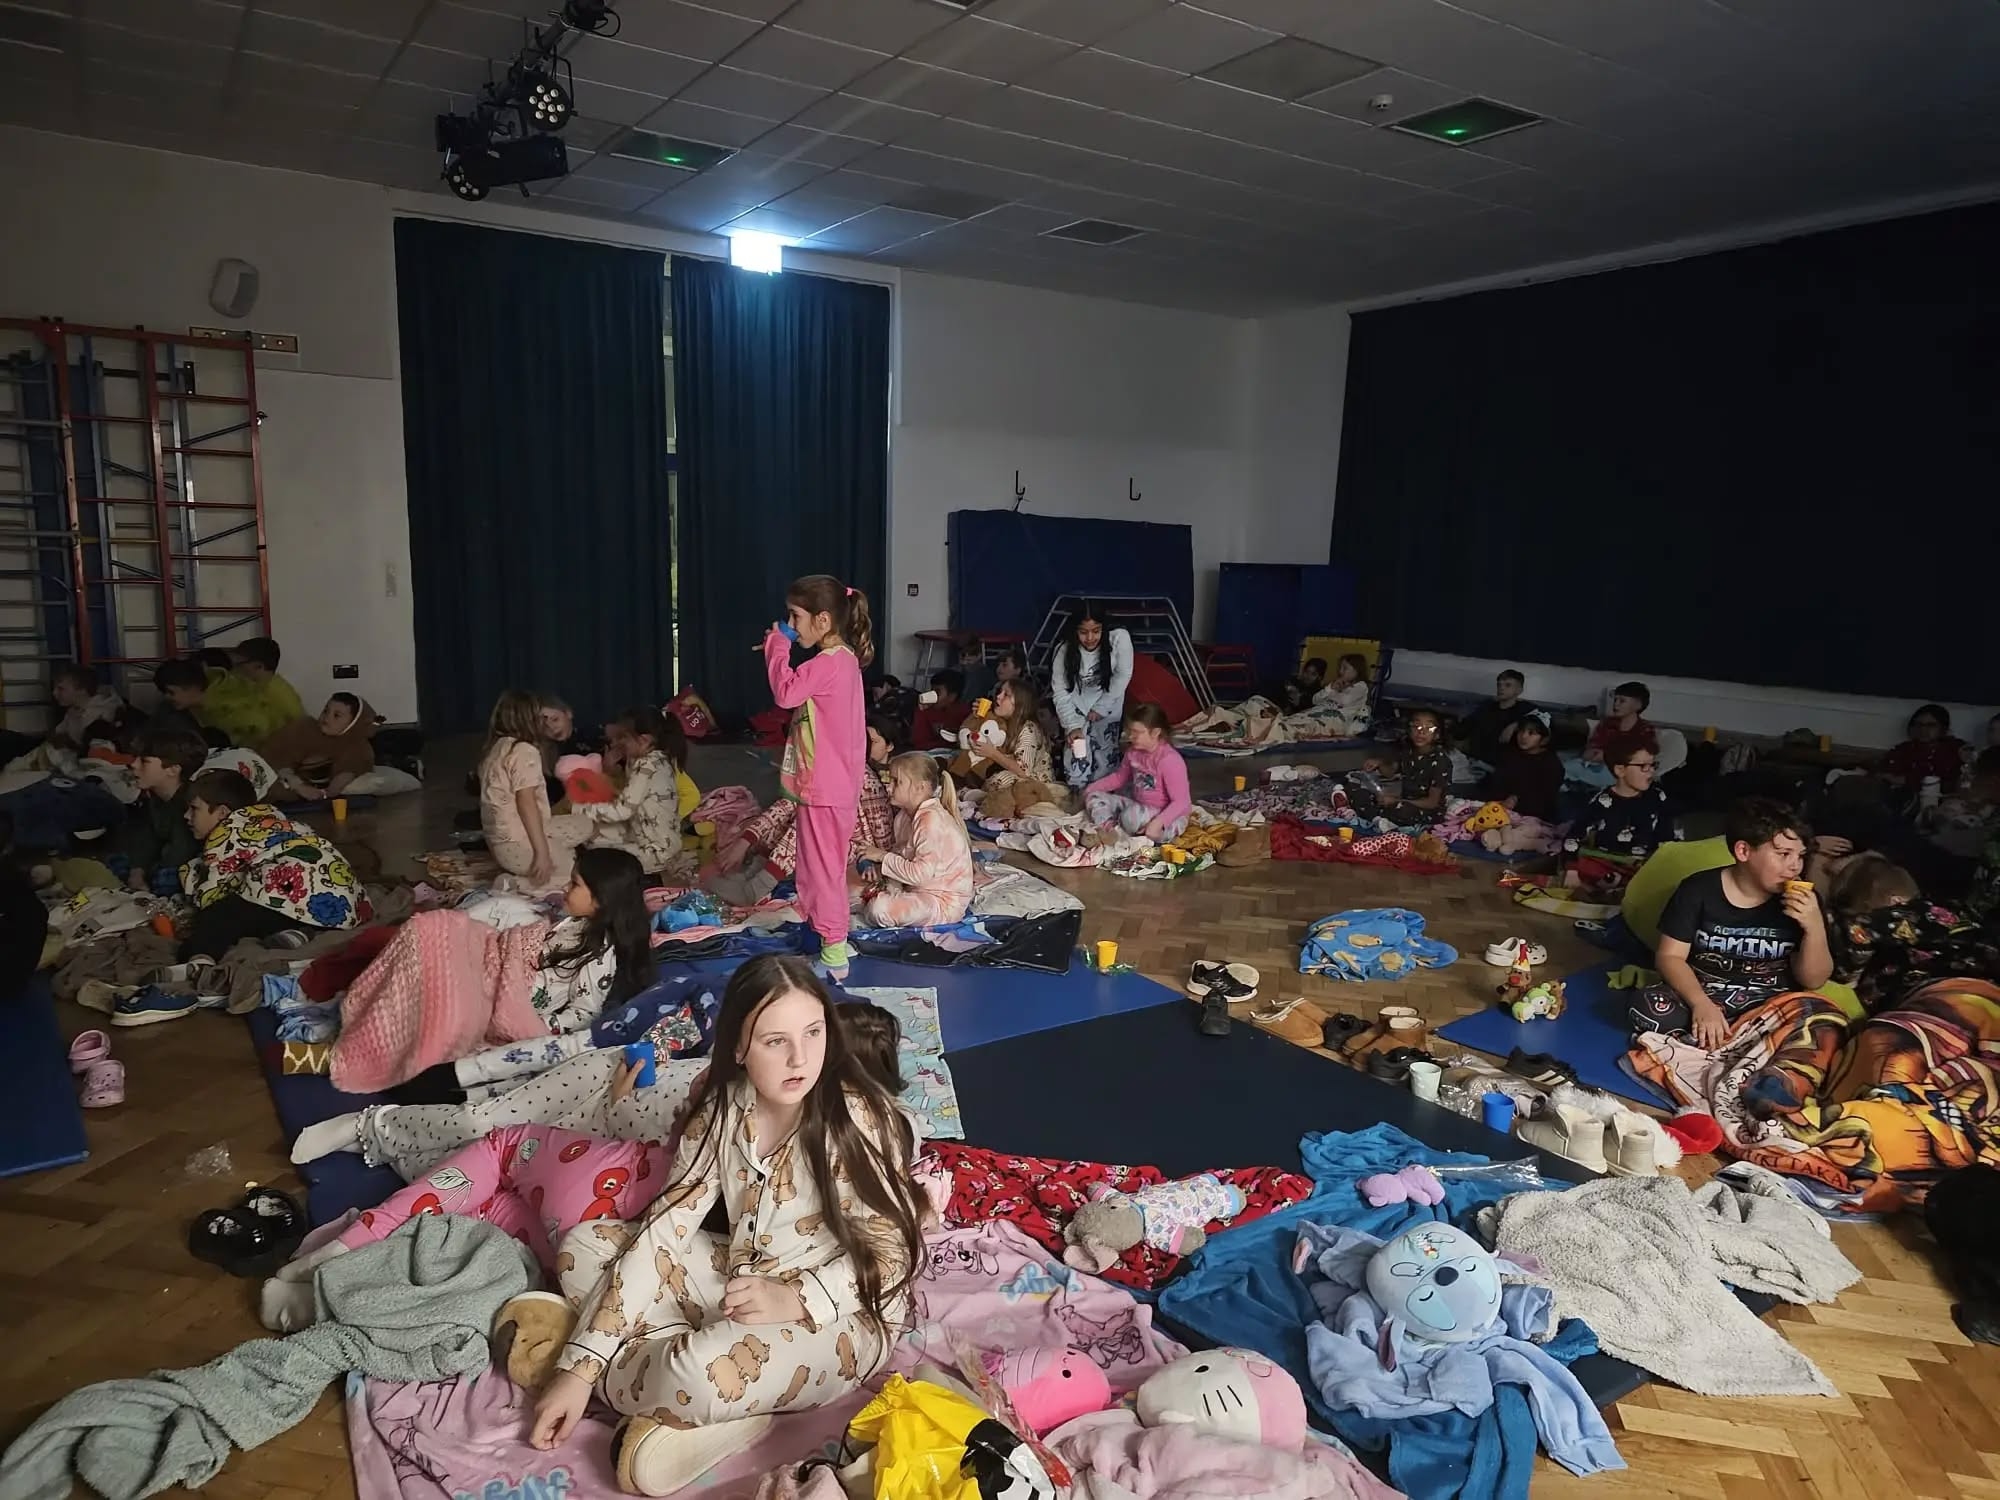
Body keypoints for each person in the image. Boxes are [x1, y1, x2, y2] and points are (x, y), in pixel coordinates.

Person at [527, 957, 928, 1495]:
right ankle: (714, 1404)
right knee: (583, 1248)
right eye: (775, 1041)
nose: (801, 1058)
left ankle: (693, 1388)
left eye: (813, 1033)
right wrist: (578, 1372)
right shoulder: (723, 1108)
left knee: (698, 1372)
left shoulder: (859, 1117)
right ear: (738, 1047)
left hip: (844, 1319)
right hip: (743, 1284)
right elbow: (664, 1231)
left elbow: (896, 1254)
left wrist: (796, 1299)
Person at [1629, 797, 1832, 1049]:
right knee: (1646, 1008)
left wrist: (1814, 927)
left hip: (1772, 1003)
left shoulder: (1806, 901)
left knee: (1824, 1023)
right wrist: (1701, 1004)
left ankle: (1723, 1040)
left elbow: (1813, 981)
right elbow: (1670, 957)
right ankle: (1747, 1042)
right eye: (1783, 854)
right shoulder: (1698, 890)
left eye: (1800, 856)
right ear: (1743, 851)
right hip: (1706, 991)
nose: (1795, 866)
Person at [765, 574, 872, 983]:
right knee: (819, 866)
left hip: (827, 789)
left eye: (796, 616)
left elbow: (785, 692)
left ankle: (834, 954)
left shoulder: (828, 663)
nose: (791, 623)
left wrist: (778, 645)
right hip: (831, 786)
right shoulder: (842, 661)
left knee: (823, 871)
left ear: (823, 620)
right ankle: (830, 935)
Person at [176, 769, 372, 964]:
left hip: (294, 894)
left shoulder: (226, 834)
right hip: (345, 906)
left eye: (194, 809)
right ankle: (300, 933)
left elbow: (211, 892)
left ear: (222, 813)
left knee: (219, 914)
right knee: (268, 903)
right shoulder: (272, 821)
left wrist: (194, 906)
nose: (186, 816)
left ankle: (200, 960)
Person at [708, 714, 897, 909]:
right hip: (836, 842)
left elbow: (882, 835)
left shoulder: (866, 781)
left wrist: (878, 863)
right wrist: (746, 840)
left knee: (811, 821)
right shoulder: (829, 771)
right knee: (793, 816)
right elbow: (787, 805)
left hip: (858, 850)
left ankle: (755, 889)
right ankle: (751, 874)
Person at [527, 847, 657, 1032]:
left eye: (574, 884)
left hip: (516, 996)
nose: (565, 887)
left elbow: (584, 1013)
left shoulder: (599, 951)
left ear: (601, 898)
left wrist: (531, 1027)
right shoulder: (576, 921)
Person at [481, 689, 590, 893]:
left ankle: (550, 853)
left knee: (585, 824)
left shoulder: (497, 747)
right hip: (517, 845)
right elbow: (526, 802)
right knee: (574, 876)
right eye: (540, 718)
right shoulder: (524, 751)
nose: (546, 724)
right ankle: (515, 884)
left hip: (500, 842)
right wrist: (542, 852)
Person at [859, 752, 974, 928]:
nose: (889, 787)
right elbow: (901, 856)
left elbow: (920, 875)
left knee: (879, 908)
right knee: (856, 889)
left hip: (941, 902)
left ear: (920, 788)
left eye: (897, 782)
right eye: (890, 780)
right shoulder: (904, 817)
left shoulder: (931, 820)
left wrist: (882, 857)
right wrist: (879, 869)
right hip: (915, 889)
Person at [579, 706, 683, 874]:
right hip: (656, 840)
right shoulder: (656, 758)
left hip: (656, 852)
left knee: (593, 846)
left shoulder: (646, 765)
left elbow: (623, 810)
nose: (617, 744)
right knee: (595, 831)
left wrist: (584, 810)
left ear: (643, 740)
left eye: (623, 738)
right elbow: (631, 797)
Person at [1051, 601, 1133, 789]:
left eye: (1096, 631)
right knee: (1076, 756)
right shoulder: (1063, 650)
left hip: (1109, 701)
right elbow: (1060, 691)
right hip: (1076, 706)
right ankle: (1078, 795)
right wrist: (1072, 725)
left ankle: (1103, 797)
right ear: (1075, 631)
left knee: (1105, 757)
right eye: (1083, 632)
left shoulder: (1119, 638)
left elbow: (1122, 675)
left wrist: (1102, 707)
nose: (1090, 638)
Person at [1083, 702, 1191, 842]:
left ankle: (1139, 833)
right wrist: (1090, 789)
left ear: (1155, 733)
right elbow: (1119, 778)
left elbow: (1181, 801)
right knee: (1094, 797)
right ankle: (1111, 831)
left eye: (1137, 732)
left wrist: (1158, 823)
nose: (1131, 737)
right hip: (1139, 807)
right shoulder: (1132, 753)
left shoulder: (1169, 760)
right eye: (1130, 732)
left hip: (1168, 815)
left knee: (1131, 817)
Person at [119, 726, 207, 895]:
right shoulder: (154, 798)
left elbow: (178, 854)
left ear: (173, 770)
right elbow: (146, 837)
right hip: (160, 863)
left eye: (144, 761)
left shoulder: (190, 806)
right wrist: (137, 872)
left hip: (182, 872)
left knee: (165, 879)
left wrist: (146, 881)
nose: (133, 764)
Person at [259, 693, 377, 802]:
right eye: (326, 711)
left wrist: (327, 792)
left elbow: (348, 773)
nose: (327, 717)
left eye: (336, 715)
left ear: (353, 723)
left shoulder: (357, 745)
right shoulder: (303, 728)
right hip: (277, 773)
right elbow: (275, 757)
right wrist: (298, 785)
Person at [1565, 746, 1675, 860]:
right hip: (1606, 861)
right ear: (1620, 770)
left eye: (1653, 765)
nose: (1651, 771)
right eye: (1643, 766)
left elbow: (1666, 834)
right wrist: (1572, 848)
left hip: (1646, 863)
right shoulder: (1603, 800)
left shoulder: (1657, 796)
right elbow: (1577, 832)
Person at [202, 637, 305, 745]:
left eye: (239, 663)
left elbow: (302, 731)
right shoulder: (246, 686)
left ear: (258, 666)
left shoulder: (281, 694)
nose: (234, 668)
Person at [1363, 708, 1450, 827]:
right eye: (1416, 726)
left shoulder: (1441, 761)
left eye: (1429, 728)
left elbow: (1432, 802)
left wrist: (1398, 801)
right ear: (1409, 730)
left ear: (1437, 734)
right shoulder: (1407, 751)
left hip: (1426, 810)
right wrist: (1379, 763)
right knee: (1359, 791)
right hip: (1402, 800)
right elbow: (1390, 773)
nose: (1421, 732)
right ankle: (1378, 815)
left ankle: (1377, 816)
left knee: (1400, 809)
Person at [973, 677, 1053, 794]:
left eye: (1006, 695)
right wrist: (978, 717)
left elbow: (1023, 771)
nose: (998, 696)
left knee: (1000, 780)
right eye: (1000, 692)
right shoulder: (1002, 722)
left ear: (1019, 704)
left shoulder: (1029, 728)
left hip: (1037, 784)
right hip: (1016, 779)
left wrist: (993, 753)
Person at [1484, 709, 1562, 822]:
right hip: (1498, 809)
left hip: (1532, 817)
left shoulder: (1551, 765)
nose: (1524, 736)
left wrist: (1516, 799)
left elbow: (1544, 798)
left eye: (1531, 733)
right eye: (1521, 731)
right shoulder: (1509, 754)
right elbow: (1497, 783)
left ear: (1544, 739)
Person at [1880, 703, 1967, 797]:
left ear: (1943, 728)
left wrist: (1909, 780)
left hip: (1946, 800)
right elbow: (1886, 775)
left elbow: (1956, 782)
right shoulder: (1903, 749)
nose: (1923, 729)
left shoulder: (1957, 749)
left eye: (1931, 725)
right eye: (1919, 724)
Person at [45, 664, 129, 753]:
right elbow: (56, 735)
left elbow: (84, 747)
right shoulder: (73, 711)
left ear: (82, 690)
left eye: (61, 689)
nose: (54, 693)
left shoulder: (103, 713)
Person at [1457, 669, 1534, 763]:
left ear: (1519, 690)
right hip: (1474, 759)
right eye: (1499, 685)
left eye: (1507, 685)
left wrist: (1517, 724)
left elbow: (1544, 717)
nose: (1501, 688)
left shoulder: (1524, 709)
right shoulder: (1487, 706)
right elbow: (1463, 730)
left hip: (1501, 763)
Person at [539, 696, 603, 805]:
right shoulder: (544, 753)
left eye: (555, 720)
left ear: (568, 714)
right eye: (545, 726)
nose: (552, 727)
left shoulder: (591, 739)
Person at [1584, 680, 1657, 766]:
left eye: (1622, 701)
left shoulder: (1645, 729)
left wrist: (1609, 756)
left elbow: (1646, 756)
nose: (1616, 704)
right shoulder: (1607, 723)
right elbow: (1591, 749)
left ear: (1638, 705)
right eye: (1615, 700)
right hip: (1597, 765)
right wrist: (1592, 754)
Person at [910, 668, 970, 750]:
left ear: (952, 696)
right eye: (932, 691)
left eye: (937, 692)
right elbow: (920, 743)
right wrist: (920, 712)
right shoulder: (926, 711)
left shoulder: (966, 714)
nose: (932, 695)